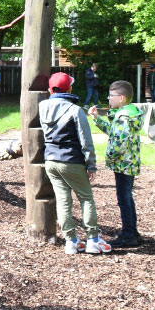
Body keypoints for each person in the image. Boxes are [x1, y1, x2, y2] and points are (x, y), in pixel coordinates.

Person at [40, 73, 111, 255]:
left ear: (50, 90)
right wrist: (91, 165)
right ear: (69, 89)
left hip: (51, 161)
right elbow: (86, 141)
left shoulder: (42, 107)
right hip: (71, 161)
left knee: (63, 200)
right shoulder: (75, 110)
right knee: (86, 198)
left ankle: (71, 241)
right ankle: (93, 240)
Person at [88, 80, 143, 247]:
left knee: (124, 199)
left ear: (121, 97)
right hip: (128, 163)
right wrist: (97, 119)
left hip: (123, 164)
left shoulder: (123, 118)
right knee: (126, 198)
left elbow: (120, 142)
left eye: (111, 96)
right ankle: (132, 231)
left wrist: (109, 157)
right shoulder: (128, 113)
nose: (109, 99)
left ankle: (128, 235)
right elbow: (113, 132)